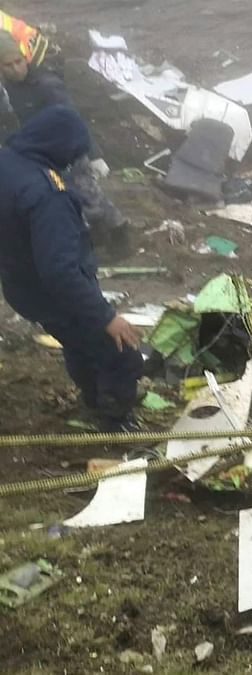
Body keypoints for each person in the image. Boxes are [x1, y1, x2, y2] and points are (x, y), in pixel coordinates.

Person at [0, 105, 143, 431]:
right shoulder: (50, 196)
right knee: (122, 354)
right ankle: (114, 423)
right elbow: (60, 272)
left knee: (79, 343)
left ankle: (93, 399)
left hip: (21, 285)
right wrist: (107, 317)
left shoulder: (7, 162)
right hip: (51, 291)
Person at [0, 31, 127, 249]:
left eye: (18, 62)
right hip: (33, 155)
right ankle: (84, 241)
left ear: (25, 58)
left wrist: (93, 154)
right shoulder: (5, 92)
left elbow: (73, 118)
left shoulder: (46, 84)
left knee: (88, 196)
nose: (15, 68)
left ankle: (118, 234)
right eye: (7, 65)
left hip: (65, 151)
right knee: (58, 201)